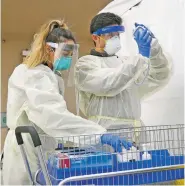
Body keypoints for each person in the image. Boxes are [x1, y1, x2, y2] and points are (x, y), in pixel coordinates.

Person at [2, 19, 132, 185]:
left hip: (40, 147)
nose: (69, 58)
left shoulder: (51, 76)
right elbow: (54, 116)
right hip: (25, 151)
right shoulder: (33, 74)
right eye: (65, 53)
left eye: (71, 54)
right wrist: (99, 135)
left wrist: (63, 143)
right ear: (49, 48)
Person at [74, 13, 171, 144]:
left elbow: (159, 76)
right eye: (110, 35)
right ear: (95, 37)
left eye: (117, 35)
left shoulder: (127, 63)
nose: (115, 39)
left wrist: (153, 48)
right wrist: (141, 58)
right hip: (106, 138)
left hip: (136, 137)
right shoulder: (85, 65)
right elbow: (109, 84)